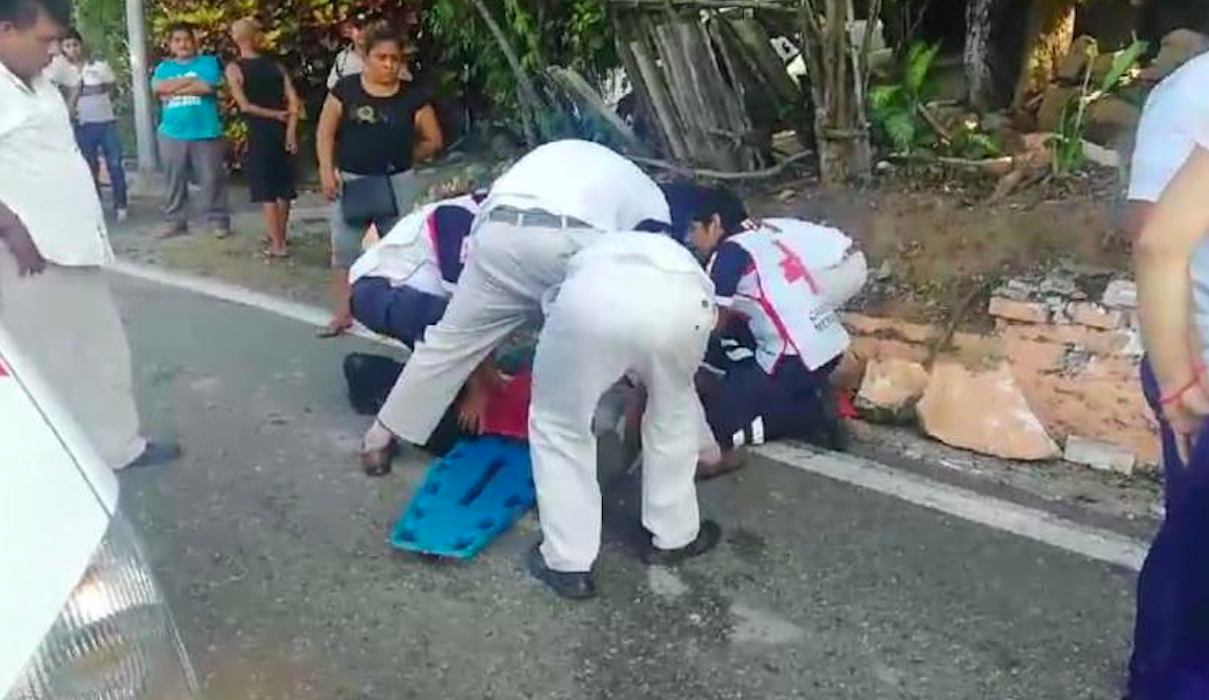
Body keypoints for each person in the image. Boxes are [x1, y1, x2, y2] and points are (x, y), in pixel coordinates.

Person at [359, 139, 673, 470]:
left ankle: (377, 442)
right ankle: (605, 449)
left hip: (498, 231)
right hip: (574, 239)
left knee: (449, 344)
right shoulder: (653, 203)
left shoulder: (553, 159)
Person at [0, 0, 179, 470]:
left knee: (101, 347)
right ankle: (54, 463)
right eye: (43, 40)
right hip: (26, 251)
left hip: (72, 240)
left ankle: (119, 446)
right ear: (4, 30)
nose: (53, 51)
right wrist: (10, 225)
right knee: (43, 362)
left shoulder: (39, 81)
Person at [527, 231, 721, 600]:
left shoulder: (594, 252)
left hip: (592, 303)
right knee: (674, 410)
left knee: (559, 424)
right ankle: (674, 538)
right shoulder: (678, 254)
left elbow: (554, 313)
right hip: (685, 304)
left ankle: (567, 564)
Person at [664, 183, 865, 477]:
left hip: (793, 359)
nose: (691, 239)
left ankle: (808, 414)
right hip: (828, 345)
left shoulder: (728, 255)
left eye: (694, 230)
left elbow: (713, 324)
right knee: (736, 360)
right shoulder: (763, 238)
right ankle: (802, 395)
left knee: (718, 427)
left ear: (715, 223)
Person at [1124, 49, 1209, 699]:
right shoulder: (1188, 92)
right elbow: (1150, 236)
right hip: (1195, 366)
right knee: (1191, 565)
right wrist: (1176, 381)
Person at [316, 24, 443, 338]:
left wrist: (406, 157)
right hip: (351, 179)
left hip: (397, 182)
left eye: (394, 58)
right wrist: (325, 170)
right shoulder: (346, 89)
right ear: (366, 57)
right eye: (381, 57)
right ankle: (343, 313)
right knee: (344, 250)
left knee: (398, 249)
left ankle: (393, 313)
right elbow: (325, 132)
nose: (388, 64)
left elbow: (433, 139)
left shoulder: (412, 97)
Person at [348, 191, 482, 347]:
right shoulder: (458, 215)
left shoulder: (479, 213)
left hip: (396, 289)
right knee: (467, 330)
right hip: (380, 289)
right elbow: (462, 291)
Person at [227, 18, 299, 258]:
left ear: (236, 39)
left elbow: (245, 106)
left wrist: (272, 115)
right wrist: (289, 128)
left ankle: (277, 244)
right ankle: (281, 235)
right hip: (282, 130)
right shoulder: (276, 66)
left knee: (266, 189)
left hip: (259, 131)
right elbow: (294, 101)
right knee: (284, 186)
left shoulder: (234, 68)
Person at [151, 23, 230, 238]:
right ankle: (175, 221)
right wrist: (190, 79)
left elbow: (206, 87)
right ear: (170, 45)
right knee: (174, 180)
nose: (183, 44)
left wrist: (173, 87)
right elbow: (158, 88)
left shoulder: (208, 62)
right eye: (177, 40)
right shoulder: (163, 68)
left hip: (205, 130)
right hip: (171, 133)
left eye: (186, 39)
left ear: (194, 42)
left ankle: (218, 220)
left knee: (212, 177)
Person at [57, 29, 128, 222]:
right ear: (62, 49)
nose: (72, 49)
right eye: (67, 46)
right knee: (89, 166)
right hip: (81, 124)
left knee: (115, 164)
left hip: (105, 121)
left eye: (75, 45)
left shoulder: (98, 66)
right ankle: (95, 207)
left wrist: (96, 96)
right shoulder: (60, 72)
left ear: (81, 45)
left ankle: (121, 205)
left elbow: (112, 89)